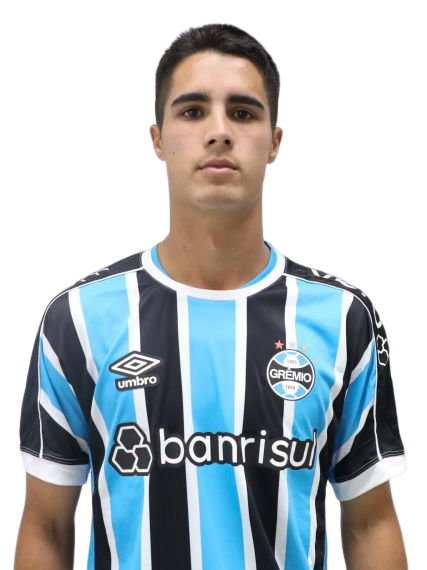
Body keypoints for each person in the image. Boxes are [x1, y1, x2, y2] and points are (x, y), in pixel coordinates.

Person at [11, 18, 412, 569]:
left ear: (276, 143)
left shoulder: (346, 315)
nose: (219, 131)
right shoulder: (75, 317)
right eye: (193, 111)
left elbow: (369, 523)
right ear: (156, 139)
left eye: (243, 113)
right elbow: (47, 524)